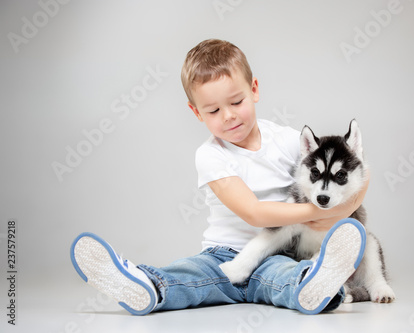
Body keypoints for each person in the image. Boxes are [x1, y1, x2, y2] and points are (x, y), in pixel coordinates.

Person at [70, 39, 369, 316]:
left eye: (236, 102)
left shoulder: (288, 140)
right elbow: (254, 213)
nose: (228, 115)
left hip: (278, 251)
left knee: (285, 277)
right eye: (213, 110)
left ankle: (317, 285)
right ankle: (145, 284)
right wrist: (322, 211)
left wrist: (343, 204)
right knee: (189, 274)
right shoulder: (210, 155)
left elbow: (358, 170)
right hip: (221, 256)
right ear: (196, 113)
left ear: (254, 89)